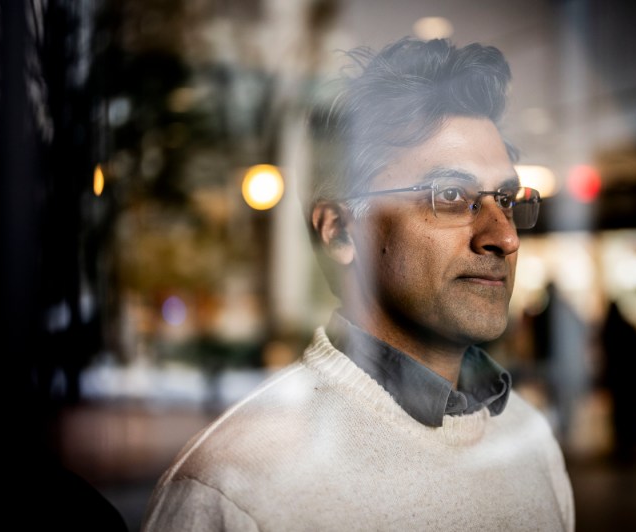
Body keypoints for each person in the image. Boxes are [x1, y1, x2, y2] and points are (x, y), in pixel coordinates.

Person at [141, 37, 574, 531]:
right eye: (452, 194)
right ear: (341, 231)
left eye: (507, 198)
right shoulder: (233, 488)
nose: (505, 236)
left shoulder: (530, 439)